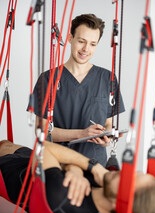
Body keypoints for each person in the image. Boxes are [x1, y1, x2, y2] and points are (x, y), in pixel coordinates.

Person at [29, 13, 125, 167]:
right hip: (58, 166)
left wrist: (107, 137)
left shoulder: (108, 78)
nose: (86, 49)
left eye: (93, 44)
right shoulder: (47, 79)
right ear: (70, 38)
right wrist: (82, 134)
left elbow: (108, 124)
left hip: (95, 166)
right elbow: (41, 131)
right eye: (81, 41)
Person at [0, 140, 155, 213]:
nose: (124, 171)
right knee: (5, 144)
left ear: (120, 203)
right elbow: (69, 164)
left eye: (128, 180)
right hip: (39, 164)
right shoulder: (108, 192)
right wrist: (75, 169)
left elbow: (43, 147)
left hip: (8, 170)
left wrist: (93, 166)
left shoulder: (64, 198)